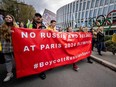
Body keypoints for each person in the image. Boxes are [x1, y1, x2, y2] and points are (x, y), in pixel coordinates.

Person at [27, 13, 46, 80]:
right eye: (37, 16)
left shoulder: (44, 26)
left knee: (41, 59)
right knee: (33, 59)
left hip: (41, 46)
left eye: (39, 17)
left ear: (41, 18)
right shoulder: (30, 25)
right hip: (32, 45)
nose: (38, 18)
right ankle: (31, 70)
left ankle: (42, 72)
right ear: (34, 18)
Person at [0, 14, 19, 82]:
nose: (8, 18)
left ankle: (20, 71)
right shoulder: (1, 27)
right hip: (6, 46)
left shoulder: (16, 27)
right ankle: (9, 74)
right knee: (8, 60)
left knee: (18, 59)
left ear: (12, 19)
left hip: (15, 46)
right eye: (6, 17)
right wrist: (8, 31)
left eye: (9, 17)